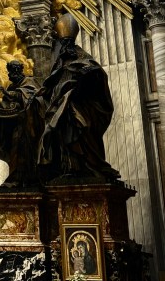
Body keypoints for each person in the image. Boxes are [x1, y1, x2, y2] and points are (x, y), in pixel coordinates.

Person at [38, 13, 120, 182]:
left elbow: (98, 76)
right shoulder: (60, 64)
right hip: (63, 111)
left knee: (83, 135)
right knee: (63, 139)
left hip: (82, 108)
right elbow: (52, 86)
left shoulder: (85, 61)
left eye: (68, 43)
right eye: (63, 43)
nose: (65, 46)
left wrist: (84, 78)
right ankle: (70, 168)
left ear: (73, 44)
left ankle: (90, 167)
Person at [0, 60, 43, 189]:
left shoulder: (29, 82)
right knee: (15, 151)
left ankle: (27, 180)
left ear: (20, 70)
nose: (12, 74)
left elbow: (33, 98)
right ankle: (16, 179)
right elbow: (7, 105)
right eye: (10, 71)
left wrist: (11, 95)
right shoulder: (11, 86)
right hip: (16, 125)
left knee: (25, 152)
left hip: (28, 126)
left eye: (15, 71)